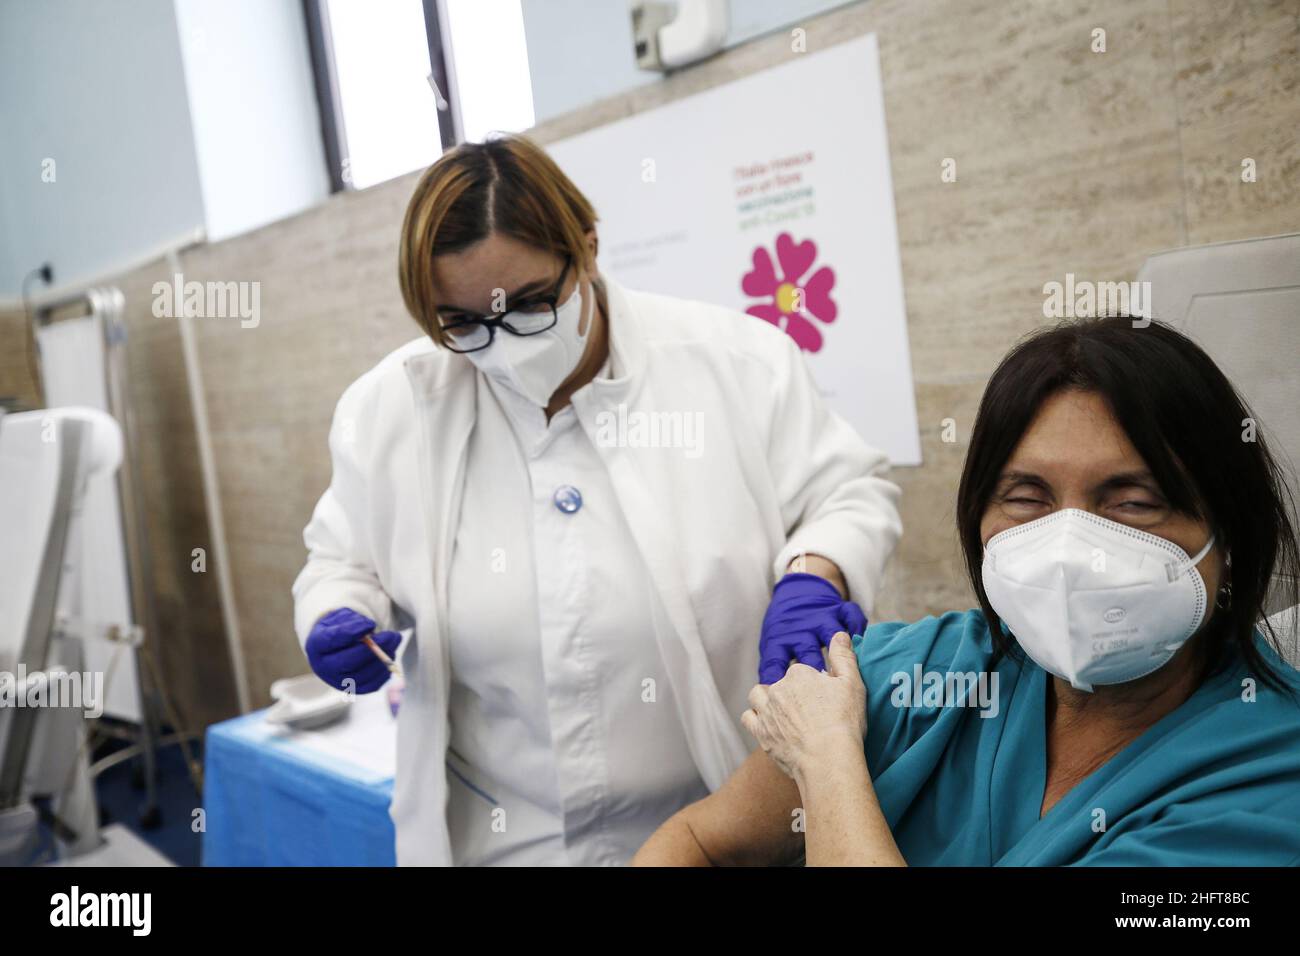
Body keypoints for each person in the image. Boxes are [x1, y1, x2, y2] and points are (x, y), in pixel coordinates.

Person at [291, 133, 902, 865]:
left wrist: (816, 571)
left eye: (529, 305)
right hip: (505, 838)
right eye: (463, 322)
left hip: (717, 824)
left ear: (586, 248)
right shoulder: (392, 408)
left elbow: (850, 493)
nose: (502, 344)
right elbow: (341, 557)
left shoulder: (734, 364)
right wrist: (337, 613)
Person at [633, 315, 1300, 866]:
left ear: (1230, 538)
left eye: (1131, 502)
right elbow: (693, 843)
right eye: (1026, 496)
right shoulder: (916, 677)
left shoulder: (1267, 781)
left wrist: (828, 761)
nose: (1069, 549)